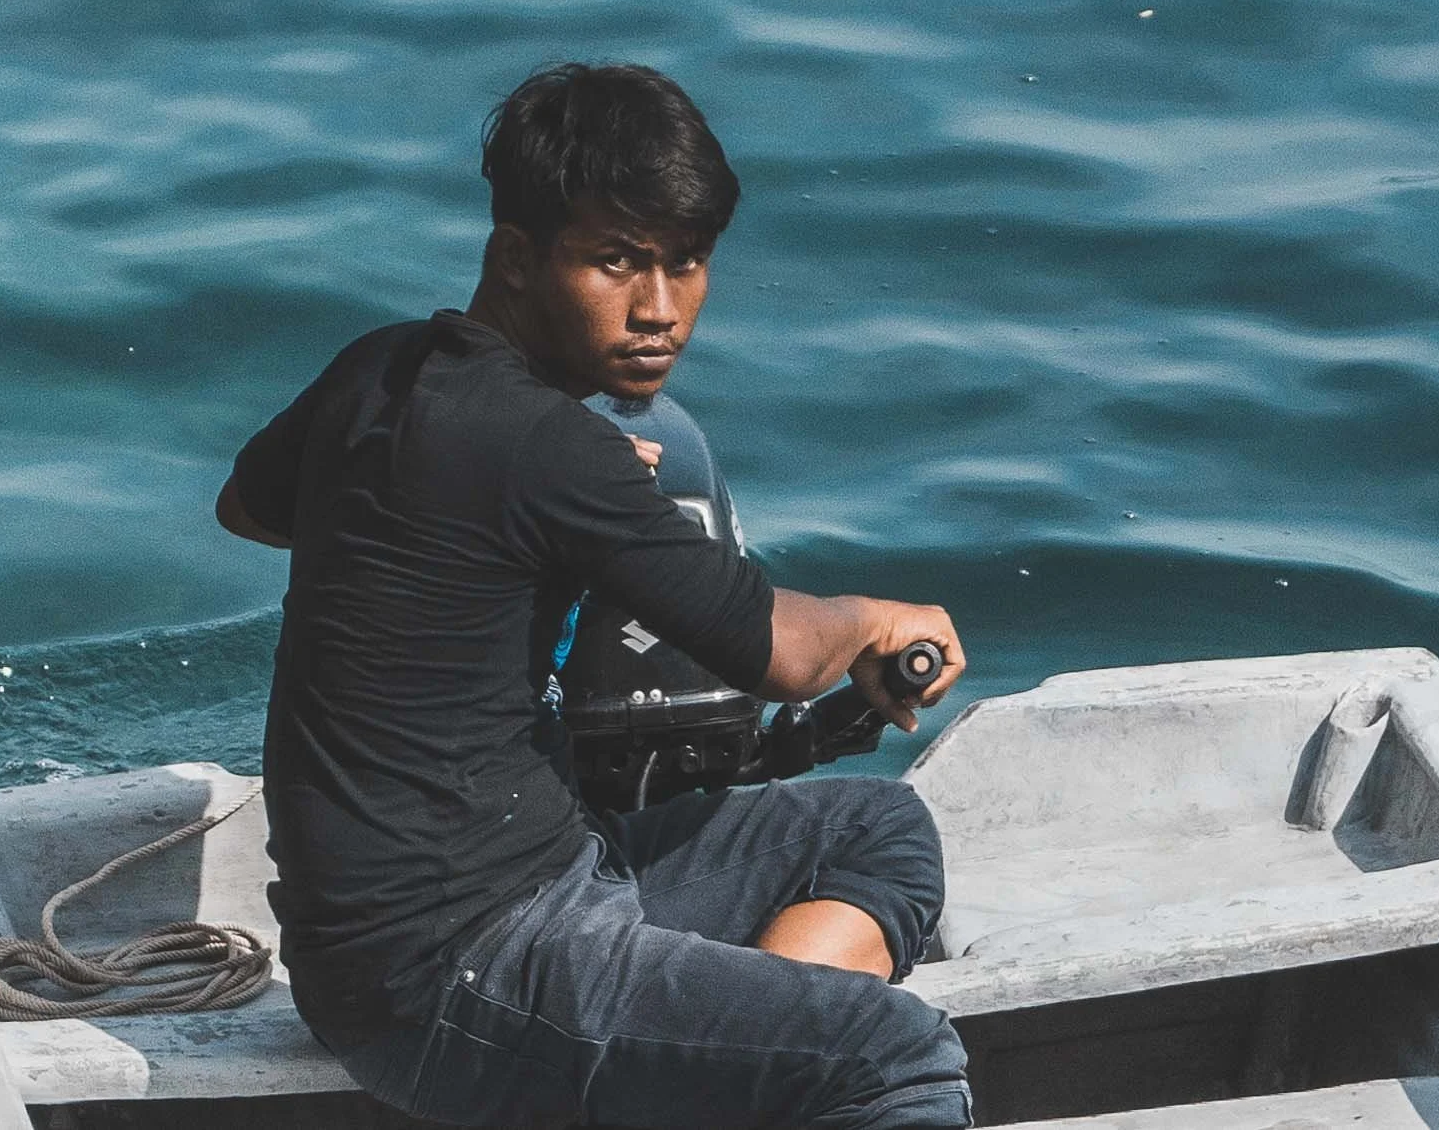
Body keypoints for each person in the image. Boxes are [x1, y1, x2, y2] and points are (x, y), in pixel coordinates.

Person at [217, 62, 971, 1130]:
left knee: (878, 826)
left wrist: (495, 524)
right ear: (516, 258)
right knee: (897, 1055)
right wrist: (881, 620)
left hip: (496, 892)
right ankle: (759, 1066)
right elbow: (785, 656)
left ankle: (730, 1067)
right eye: (615, 261)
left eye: (686, 262)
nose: (657, 309)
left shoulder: (376, 371)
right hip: (450, 973)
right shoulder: (552, 449)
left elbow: (249, 509)